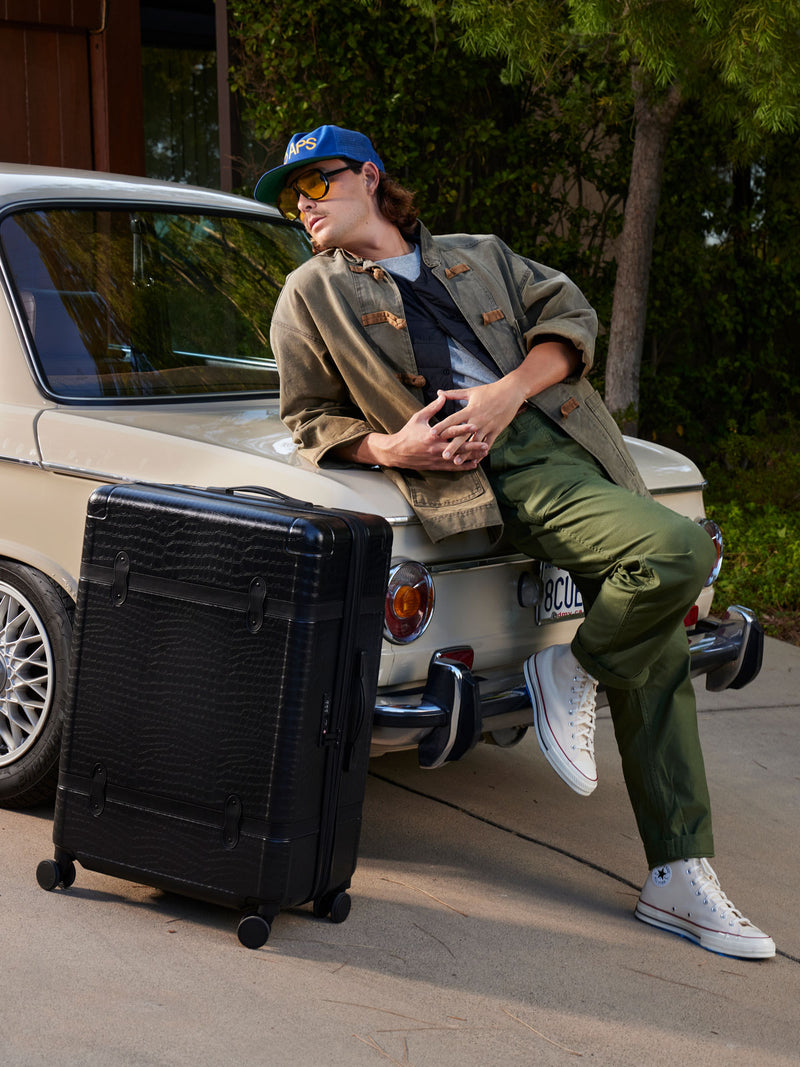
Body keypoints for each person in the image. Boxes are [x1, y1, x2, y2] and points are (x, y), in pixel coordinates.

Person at [256, 124, 775, 960]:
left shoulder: (478, 253)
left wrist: (505, 392)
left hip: (578, 442)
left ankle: (677, 868)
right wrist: (395, 448)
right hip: (497, 471)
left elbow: (569, 316)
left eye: (316, 184)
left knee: (655, 650)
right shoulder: (308, 296)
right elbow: (309, 417)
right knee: (679, 553)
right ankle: (568, 673)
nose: (303, 206)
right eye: (291, 198)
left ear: (371, 178)